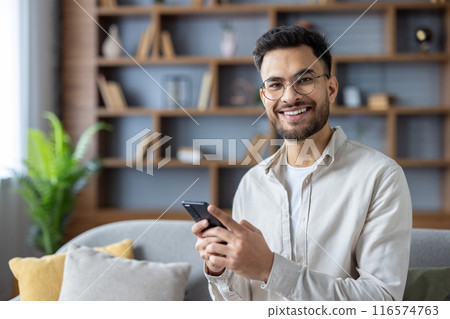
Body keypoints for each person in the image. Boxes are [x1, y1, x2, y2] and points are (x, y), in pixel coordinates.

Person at [191, 25, 412, 301]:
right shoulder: (253, 183)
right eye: (275, 84)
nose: (289, 96)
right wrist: (220, 268)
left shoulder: (381, 177)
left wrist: (271, 269)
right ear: (264, 98)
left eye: (304, 79)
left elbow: (382, 302)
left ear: (330, 88)